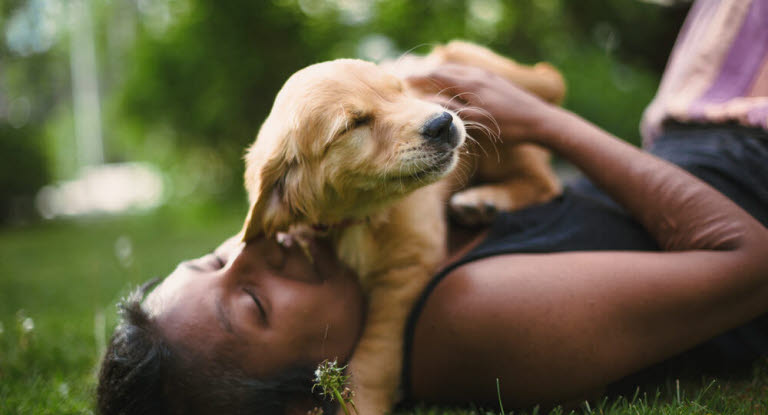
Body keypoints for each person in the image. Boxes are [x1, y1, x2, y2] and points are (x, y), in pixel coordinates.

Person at [96, 1, 768, 414]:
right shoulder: (470, 317)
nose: (260, 247)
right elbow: (752, 264)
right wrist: (543, 121)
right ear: (311, 403)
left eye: (216, 254)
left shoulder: (349, 232)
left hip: (685, 126)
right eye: (253, 303)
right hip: (745, 154)